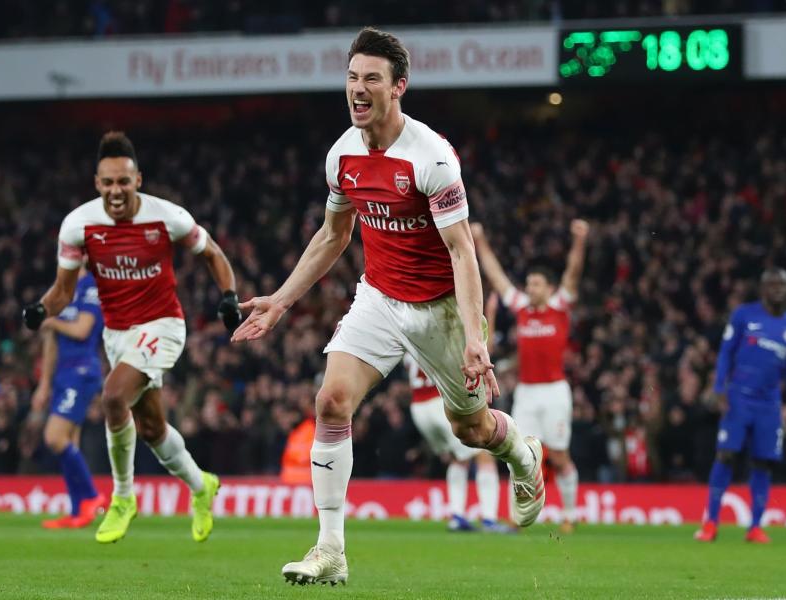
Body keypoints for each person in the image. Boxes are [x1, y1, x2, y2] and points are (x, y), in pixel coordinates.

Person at [231, 27, 545, 586]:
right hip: (379, 296)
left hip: (442, 309)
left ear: (398, 86)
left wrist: (475, 336)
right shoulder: (342, 155)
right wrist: (280, 300)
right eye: (352, 77)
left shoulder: (431, 158)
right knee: (330, 401)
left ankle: (523, 455)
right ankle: (330, 550)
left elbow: (461, 250)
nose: (358, 88)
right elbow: (333, 236)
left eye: (371, 78)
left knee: (468, 431)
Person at [22, 131, 243, 544]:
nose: (116, 190)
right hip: (118, 335)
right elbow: (63, 291)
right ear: (97, 183)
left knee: (112, 396)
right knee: (153, 429)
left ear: (138, 179)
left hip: (162, 326)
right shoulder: (78, 225)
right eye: (107, 183)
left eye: (123, 181)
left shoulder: (167, 217)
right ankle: (201, 486)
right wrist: (41, 309)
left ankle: (123, 498)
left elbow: (212, 252)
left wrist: (229, 295)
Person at [472, 219, 589, 534]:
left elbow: (573, 273)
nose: (531, 288)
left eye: (536, 284)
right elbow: (497, 277)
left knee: (560, 456)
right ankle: (520, 516)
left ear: (549, 288)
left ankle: (569, 515)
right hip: (526, 392)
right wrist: (480, 240)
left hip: (554, 392)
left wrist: (579, 241)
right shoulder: (522, 308)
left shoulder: (559, 307)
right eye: (529, 284)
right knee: (519, 456)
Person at [695, 268, 786, 544]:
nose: (778, 289)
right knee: (726, 455)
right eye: (773, 284)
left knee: (763, 462)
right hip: (739, 398)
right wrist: (720, 387)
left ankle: (755, 526)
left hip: (769, 405)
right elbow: (725, 353)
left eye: (783, 285)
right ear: (763, 288)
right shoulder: (744, 315)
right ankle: (710, 522)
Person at [32, 264, 108, 529]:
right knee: (69, 441)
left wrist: (51, 319)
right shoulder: (60, 290)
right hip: (63, 375)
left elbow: (82, 330)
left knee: (54, 437)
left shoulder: (92, 287)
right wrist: (44, 385)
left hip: (82, 370)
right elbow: (50, 341)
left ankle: (91, 496)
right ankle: (78, 512)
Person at [403, 354, 514, 533]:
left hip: (418, 408)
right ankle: (489, 520)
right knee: (484, 455)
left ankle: (457, 516)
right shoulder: (442, 334)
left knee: (459, 458)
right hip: (440, 402)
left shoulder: (411, 338)